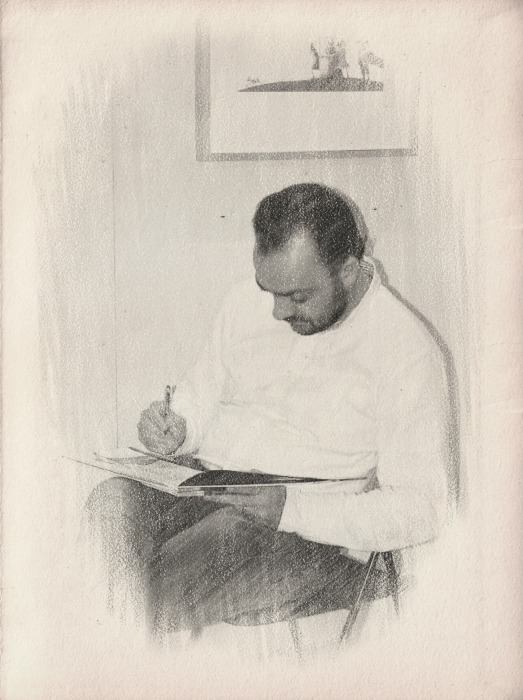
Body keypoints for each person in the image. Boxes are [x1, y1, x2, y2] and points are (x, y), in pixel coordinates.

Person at [85, 183, 449, 636]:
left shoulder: (405, 350)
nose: (276, 311)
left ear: (349, 271)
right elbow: (199, 394)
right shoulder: (247, 301)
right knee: (112, 504)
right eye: (268, 289)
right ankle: (113, 635)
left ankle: (106, 642)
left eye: (298, 297)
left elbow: (421, 509)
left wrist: (289, 511)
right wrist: (177, 427)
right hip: (205, 488)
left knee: (149, 585)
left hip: (305, 531)